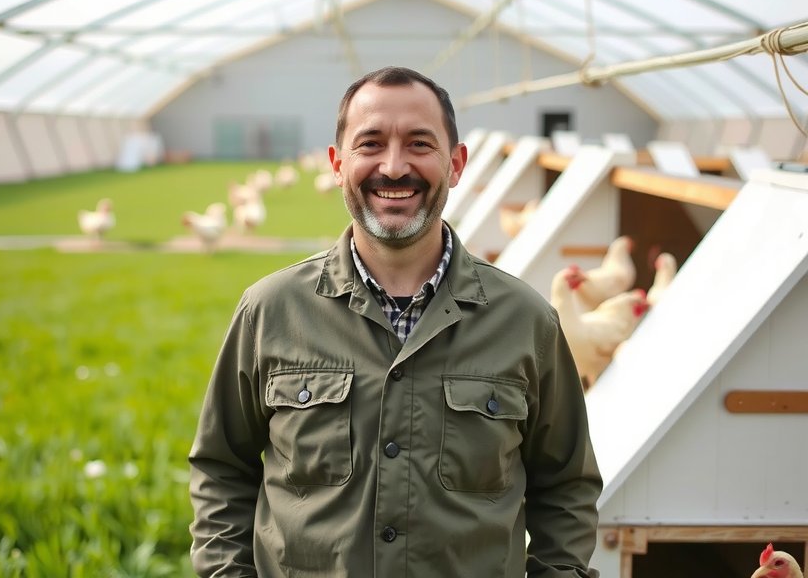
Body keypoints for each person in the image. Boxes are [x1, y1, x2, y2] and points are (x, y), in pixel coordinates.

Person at [189, 66, 603, 577]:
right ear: (338, 164)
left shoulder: (526, 321)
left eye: (419, 144)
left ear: (455, 165)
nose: (393, 166)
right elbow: (221, 469)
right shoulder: (270, 311)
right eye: (371, 143)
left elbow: (566, 486)